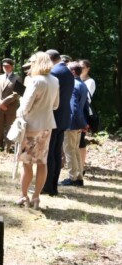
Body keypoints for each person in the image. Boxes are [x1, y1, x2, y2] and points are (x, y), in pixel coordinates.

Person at [14, 52, 59, 210]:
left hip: (32, 127)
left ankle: (24, 196)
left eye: (32, 62)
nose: (30, 65)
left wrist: (20, 106)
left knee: (27, 163)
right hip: (47, 126)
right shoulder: (54, 80)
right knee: (42, 162)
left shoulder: (36, 81)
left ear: (37, 63)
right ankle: (36, 198)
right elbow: (55, 105)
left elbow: (24, 108)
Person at [41, 49, 74, 196]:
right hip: (64, 117)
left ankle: (47, 186)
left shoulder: (54, 73)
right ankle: (53, 186)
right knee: (56, 153)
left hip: (53, 116)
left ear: (49, 58)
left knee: (50, 153)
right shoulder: (67, 71)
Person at [60, 62, 89, 187]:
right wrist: (83, 123)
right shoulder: (82, 84)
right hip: (78, 123)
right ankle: (79, 177)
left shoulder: (73, 85)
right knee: (75, 150)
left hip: (71, 123)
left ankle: (72, 178)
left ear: (72, 72)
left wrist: (82, 123)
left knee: (69, 150)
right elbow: (84, 106)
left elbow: (75, 108)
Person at [0, 58, 22, 152]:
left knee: (10, 128)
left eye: (7, 66)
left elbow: (17, 93)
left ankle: (8, 148)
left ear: (12, 67)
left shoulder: (18, 78)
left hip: (10, 108)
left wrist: (4, 102)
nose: (5, 67)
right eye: (4, 66)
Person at [79, 59, 96, 172]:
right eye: (79, 67)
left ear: (88, 68)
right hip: (76, 112)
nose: (81, 69)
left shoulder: (90, 82)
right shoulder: (75, 80)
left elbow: (87, 99)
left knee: (81, 140)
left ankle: (81, 167)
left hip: (83, 113)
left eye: (83, 67)